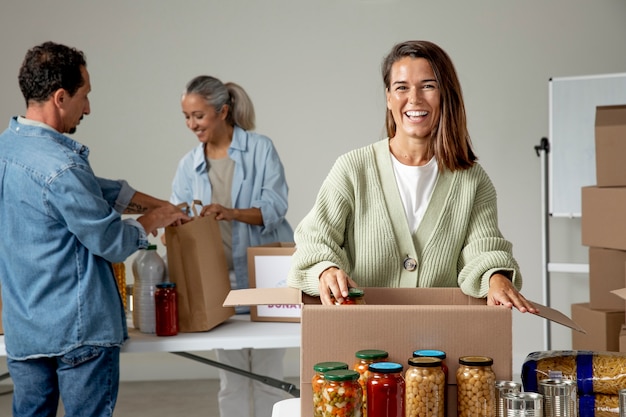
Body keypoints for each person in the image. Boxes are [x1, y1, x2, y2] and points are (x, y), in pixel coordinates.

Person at [0, 41, 190, 417]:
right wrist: (152, 222)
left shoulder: (8, 150)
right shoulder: (61, 166)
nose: (88, 108)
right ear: (59, 97)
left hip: (25, 330)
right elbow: (110, 242)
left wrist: (156, 204)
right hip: (77, 333)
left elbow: (90, 190)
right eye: (83, 97)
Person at [287, 40, 538, 313]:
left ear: (445, 94)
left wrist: (495, 277)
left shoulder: (473, 180)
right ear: (388, 97)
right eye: (402, 87)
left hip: (442, 343)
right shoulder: (352, 169)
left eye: (428, 86)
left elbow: (482, 248)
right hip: (363, 341)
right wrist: (326, 270)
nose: (415, 99)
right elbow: (314, 240)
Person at [167, 75, 294, 417]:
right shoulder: (188, 165)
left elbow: (275, 207)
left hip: (267, 282)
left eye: (199, 116)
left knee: (269, 379)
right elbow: (178, 214)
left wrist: (232, 213)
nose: (192, 124)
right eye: (186, 117)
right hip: (219, 286)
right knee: (232, 381)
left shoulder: (260, 149)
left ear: (223, 111)